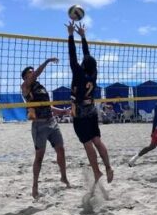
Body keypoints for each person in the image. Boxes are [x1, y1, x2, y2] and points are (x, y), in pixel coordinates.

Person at [67, 22, 113, 201]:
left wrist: (71, 35)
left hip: (79, 112)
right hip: (92, 110)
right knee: (97, 140)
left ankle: (97, 171)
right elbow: (87, 56)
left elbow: (73, 56)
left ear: (83, 65)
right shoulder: (93, 74)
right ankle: (108, 166)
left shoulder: (78, 73)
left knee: (87, 144)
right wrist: (83, 37)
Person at [21, 58, 71, 200]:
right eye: (30, 74)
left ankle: (63, 177)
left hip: (51, 122)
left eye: (33, 73)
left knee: (61, 149)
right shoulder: (25, 87)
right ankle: (35, 186)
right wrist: (47, 61)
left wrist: (61, 111)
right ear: (26, 77)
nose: (33, 75)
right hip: (39, 125)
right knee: (39, 157)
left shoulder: (40, 87)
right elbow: (36, 74)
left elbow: (47, 105)